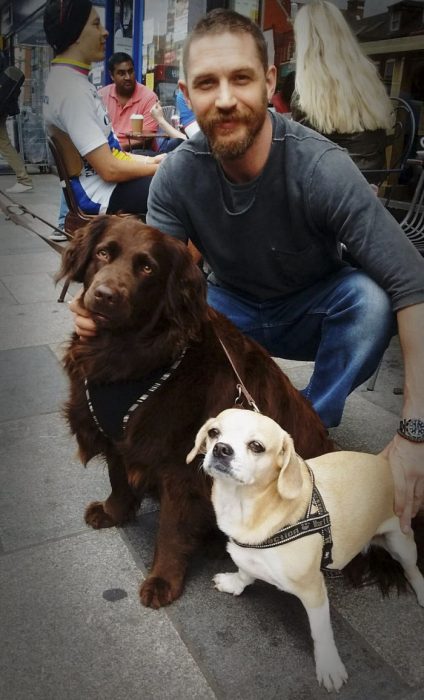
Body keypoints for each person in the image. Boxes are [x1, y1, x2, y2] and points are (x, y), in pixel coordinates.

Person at [71, 8, 424, 534]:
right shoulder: (178, 176)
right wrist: (97, 309)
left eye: (240, 78)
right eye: (208, 84)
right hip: (226, 310)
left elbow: (412, 283)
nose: (226, 98)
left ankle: (307, 429)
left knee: (369, 298)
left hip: (312, 307)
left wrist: (415, 434)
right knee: (180, 307)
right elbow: (159, 275)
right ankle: (202, 434)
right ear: (188, 95)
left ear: (267, 80)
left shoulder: (320, 167)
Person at [43, 0, 164, 220]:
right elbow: (109, 169)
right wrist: (162, 169)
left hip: (101, 187)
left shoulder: (69, 80)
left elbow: (112, 153)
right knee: (183, 188)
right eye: (96, 24)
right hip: (100, 193)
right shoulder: (72, 91)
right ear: (76, 33)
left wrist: (152, 162)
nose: (105, 32)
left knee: (163, 165)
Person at [291, 0, 393, 180]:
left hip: (332, 189)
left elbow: (298, 148)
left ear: (307, 44)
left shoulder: (310, 91)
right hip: (370, 183)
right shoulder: (367, 79)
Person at [98, 52, 158, 151]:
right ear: (112, 76)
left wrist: (116, 149)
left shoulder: (149, 97)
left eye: (130, 71)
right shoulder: (101, 96)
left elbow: (147, 138)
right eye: (121, 73)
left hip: (138, 154)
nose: (128, 77)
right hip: (106, 153)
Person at [0, 60, 33, 194]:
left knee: (4, 144)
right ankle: (24, 179)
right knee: (4, 143)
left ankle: (24, 180)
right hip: (3, 105)